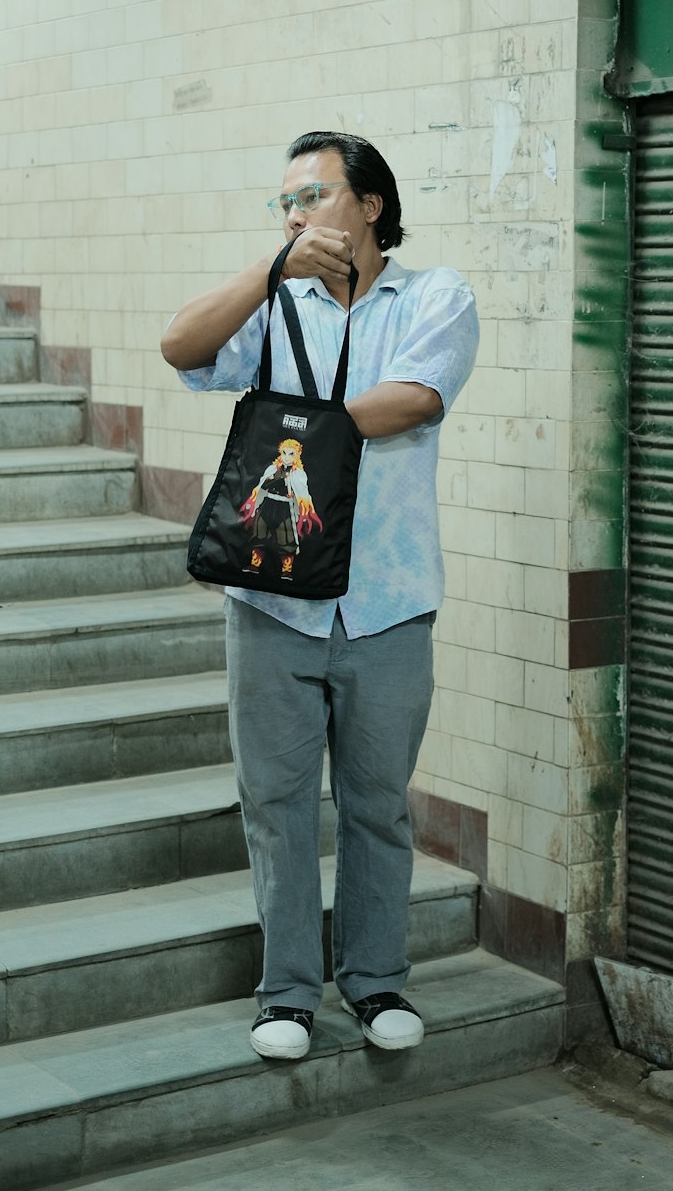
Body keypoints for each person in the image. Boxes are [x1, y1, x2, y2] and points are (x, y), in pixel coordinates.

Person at [161, 131, 479, 1061]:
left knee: (376, 806)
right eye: (284, 204)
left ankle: (376, 982)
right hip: (273, 606)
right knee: (278, 806)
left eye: (313, 196)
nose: (296, 214)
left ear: (370, 204)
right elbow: (180, 346)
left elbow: (416, 398)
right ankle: (287, 995)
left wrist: (287, 429)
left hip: (387, 603)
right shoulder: (277, 304)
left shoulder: (432, 296)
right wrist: (269, 268)